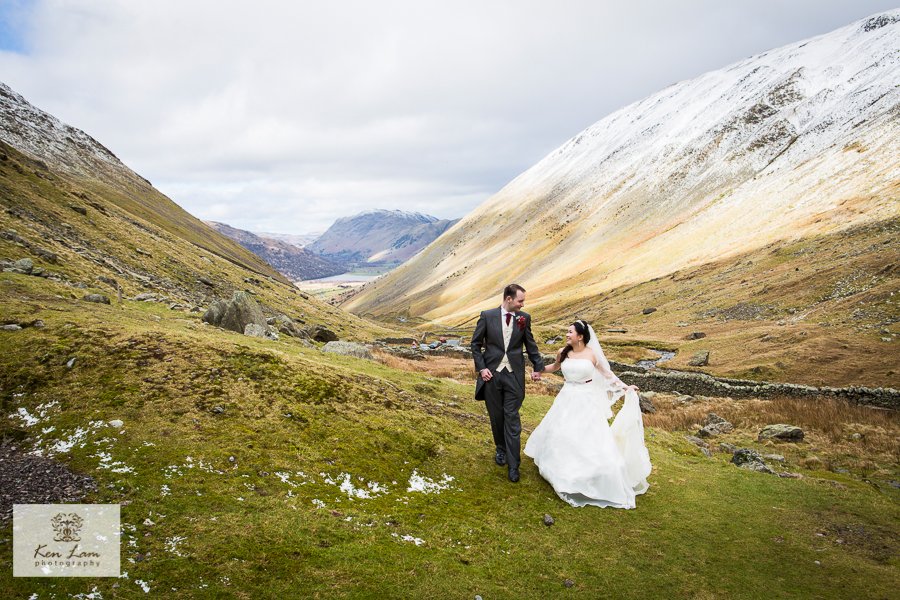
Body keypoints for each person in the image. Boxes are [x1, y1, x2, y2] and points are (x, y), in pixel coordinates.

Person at [524, 320, 651, 508]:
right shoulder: (563, 352)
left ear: (580, 336)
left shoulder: (592, 355)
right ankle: (561, 468)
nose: (567, 335)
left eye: (570, 332)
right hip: (567, 397)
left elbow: (608, 376)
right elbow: (555, 367)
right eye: (567, 332)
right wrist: (539, 371)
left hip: (586, 399)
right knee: (562, 432)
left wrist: (626, 388)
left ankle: (591, 473)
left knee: (587, 435)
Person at [471, 284, 545, 483]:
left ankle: (514, 465)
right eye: (520, 300)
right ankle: (500, 449)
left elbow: (530, 344)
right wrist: (482, 368)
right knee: (496, 417)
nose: (523, 304)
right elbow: (475, 344)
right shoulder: (487, 316)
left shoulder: (524, 318)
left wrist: (538, 367)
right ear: (509, 299)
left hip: (514, 376)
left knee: (512, 419)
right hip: (491, 376)